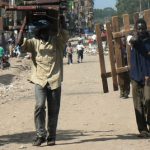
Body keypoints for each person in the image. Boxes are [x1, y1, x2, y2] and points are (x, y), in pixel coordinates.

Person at [17, 16, 69, 146]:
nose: (43, 33)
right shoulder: (34, 42)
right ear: (38, 33)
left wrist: (62, 20)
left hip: (54, 80)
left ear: (49, 31)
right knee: (39, 106)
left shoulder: (57, 41)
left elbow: (65, 34)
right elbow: (19, 42)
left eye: (45, 31)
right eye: (41, 31)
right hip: (39, 80)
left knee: (53, 110)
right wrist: (23, 26)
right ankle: (40, 135)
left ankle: (51, 136)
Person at [128, 18, 150, 137]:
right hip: (136, 75)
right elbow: (132, 40)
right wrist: (135, 34)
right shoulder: (132, 39)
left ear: (146, 28)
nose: (141, 30)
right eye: (139, 28)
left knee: (148, 99)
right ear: (136, 29)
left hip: (148, 75)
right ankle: (142, 130)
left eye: (143, 28)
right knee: (138, 104)